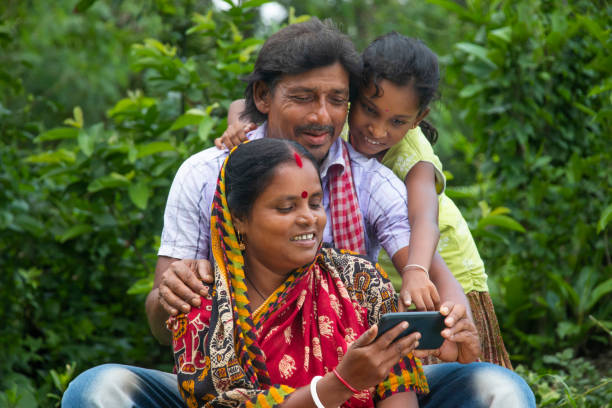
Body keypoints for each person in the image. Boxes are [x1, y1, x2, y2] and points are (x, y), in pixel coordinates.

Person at [62, 18, 535, 408]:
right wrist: (171, 295)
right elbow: (177, 342)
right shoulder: (207, 176)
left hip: (362, 383)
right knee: (98, 389)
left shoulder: (368, 202)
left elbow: (422, 270)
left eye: (337, 100)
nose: (322, 116)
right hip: (230, 392)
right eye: (304, 97)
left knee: (499, 390)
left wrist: (450, 319)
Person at [217, 32, 511, 368]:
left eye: (397, 121)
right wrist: (239, 125)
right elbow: (244, 104)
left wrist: (417, 269)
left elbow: (424, 220)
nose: (377, 130)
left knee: (454, 354)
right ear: (352, 98)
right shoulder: (332, 126)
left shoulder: (414, 157)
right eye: (369, 110)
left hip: (439, 258)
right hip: (394, 259)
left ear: (416, 119)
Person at [170, 138, 429, 407]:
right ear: (239, 218)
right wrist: (341, 383)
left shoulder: (359, 281)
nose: (309, 218)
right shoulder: (201, 307)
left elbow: (399, 390)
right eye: (286, 207)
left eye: (315, 204)